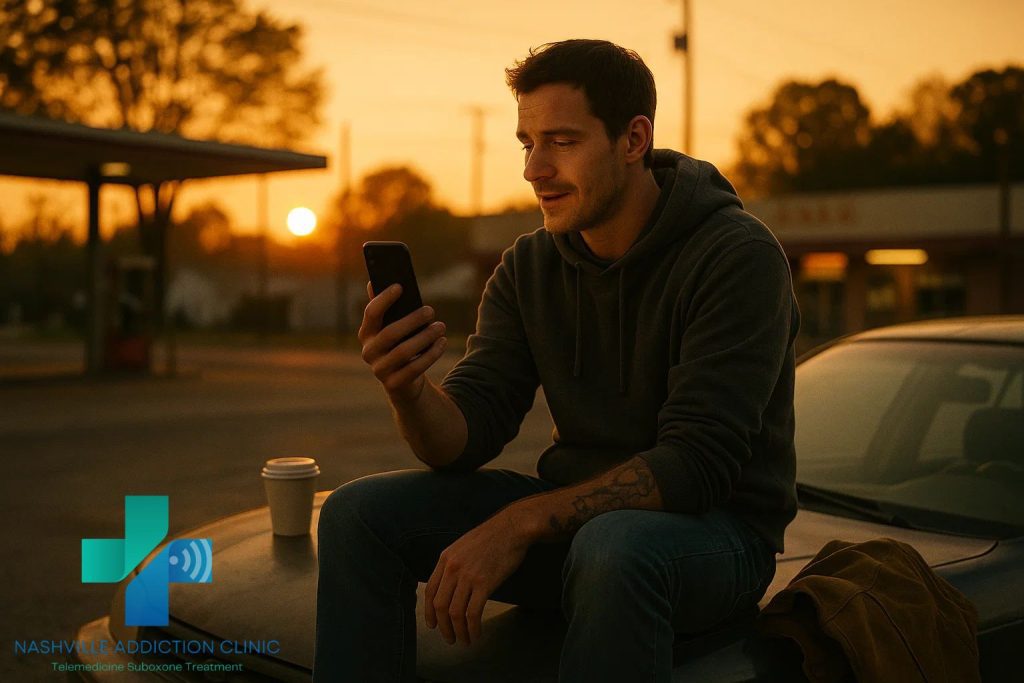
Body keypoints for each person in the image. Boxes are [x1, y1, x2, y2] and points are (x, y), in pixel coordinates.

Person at [314, 38, 800, 683]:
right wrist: (407, 386)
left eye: (562, 142)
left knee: (616, 546)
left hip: (712, 538)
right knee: (355, 514)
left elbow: (698, 464)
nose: (533, 168)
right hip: (579, 526)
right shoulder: (530, 265)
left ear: (633, 140)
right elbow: (465, 437)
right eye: (527, 143)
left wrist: (518, 523)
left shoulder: (735, 256)